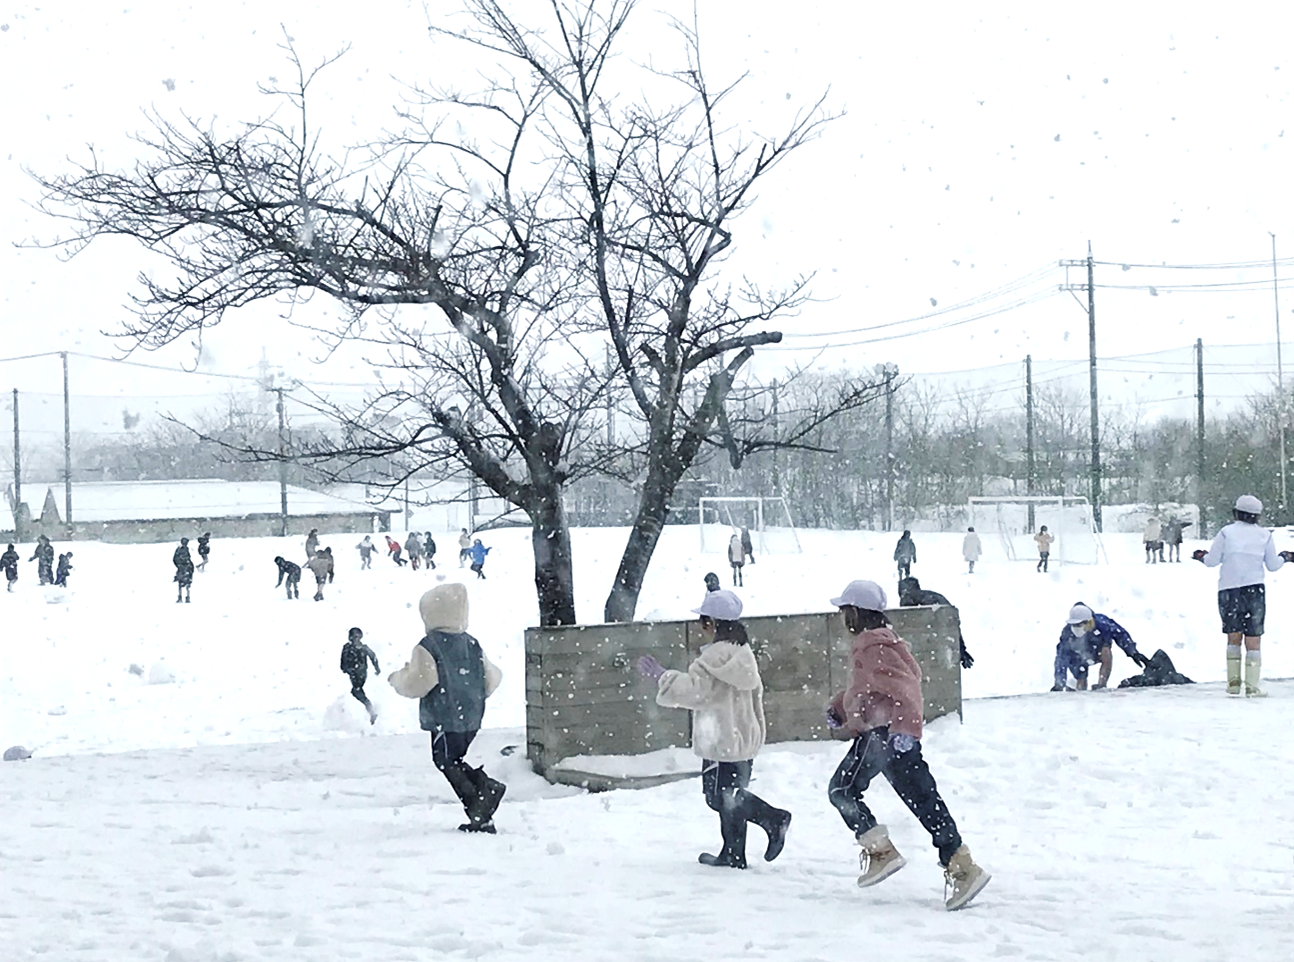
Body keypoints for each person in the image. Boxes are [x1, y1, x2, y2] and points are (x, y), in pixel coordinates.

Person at [824, 579, 990, 911]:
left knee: (842, 790)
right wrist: (840, 707)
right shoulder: (880, 643)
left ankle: (881, 851)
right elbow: (869, 688)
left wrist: (906, 728)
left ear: (854, 612)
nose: (842, 618)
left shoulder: (874, 647)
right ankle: (962, 866)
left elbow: (906, 687)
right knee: (924, 800)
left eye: (844, 611)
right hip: (888, 733)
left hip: (883, 735)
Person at [637, 589, 791, 870]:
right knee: (731, 794)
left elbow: (695, 692)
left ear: (713, 623)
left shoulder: (711, 660)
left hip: (721, 739)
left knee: (720, 796)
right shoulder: (742, 655)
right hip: (742, 738)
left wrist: (663, 677)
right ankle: (733, 854)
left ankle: (773, 818)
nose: (701, 628)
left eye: (703, 621)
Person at [388, 583, 506, 833]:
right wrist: (471, 696)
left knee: (445, 759)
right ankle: (482, 805)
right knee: (453, 758)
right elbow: (492, 677)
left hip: (445, 715)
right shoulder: (472, 643)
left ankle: (482, 800)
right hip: (471, 715)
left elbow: (421, 681)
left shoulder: (429, 645)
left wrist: (398, 679)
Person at [1193, 495, 1293, 697]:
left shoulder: (1226, 533)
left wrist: (1201, 556)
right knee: (1253, 639)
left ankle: (1233, 683)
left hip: (1229, 590)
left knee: (1233, 636)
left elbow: (1212, 561)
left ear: (1236, 512)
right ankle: (1252, 686)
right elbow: (1273, 566)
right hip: (1254, 590)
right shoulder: (1264, 535)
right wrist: (1286, 557)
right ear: (1257, 516)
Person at [1052, 603, 1149, 691]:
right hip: (1077, 657)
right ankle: (1081, 689)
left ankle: (1101, 684)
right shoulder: (1067, 633)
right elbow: (1061, 658)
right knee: (1080, 672)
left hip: (1097, 651)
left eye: (1079, 624)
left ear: (1089, 622)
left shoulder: (1102, 624)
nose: (1076, 628)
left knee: (1106, 652)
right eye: (1073, 625)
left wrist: (1133, 652)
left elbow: (1120, 634)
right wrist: (1059, 683)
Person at [897, 577, 974, 669]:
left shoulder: (907, 600)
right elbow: (953, 625)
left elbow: (906, 629)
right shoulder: (936, 597)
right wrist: (961, 649)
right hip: (942, 647)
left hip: (928, 649)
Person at [340, 627, 381, 724]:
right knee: (356, 691)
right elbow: (343, 661)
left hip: (359, 673)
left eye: (357, 637)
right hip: (357, 672)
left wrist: (377, 668)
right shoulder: (350, 648)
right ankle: (371, 711)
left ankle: (372, 711)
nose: (356, 639)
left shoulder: (360, 648)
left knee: (356, 691)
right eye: (355, 637)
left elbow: (373, 657)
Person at [173, 537, 194, 603]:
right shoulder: (179, 549)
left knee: (185, 583)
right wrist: (179, 565)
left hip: (186, 567)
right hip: (184, 567)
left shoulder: (185, 549)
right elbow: (175, 559)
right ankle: (183, 597)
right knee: (183, 582)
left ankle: (184, 597)